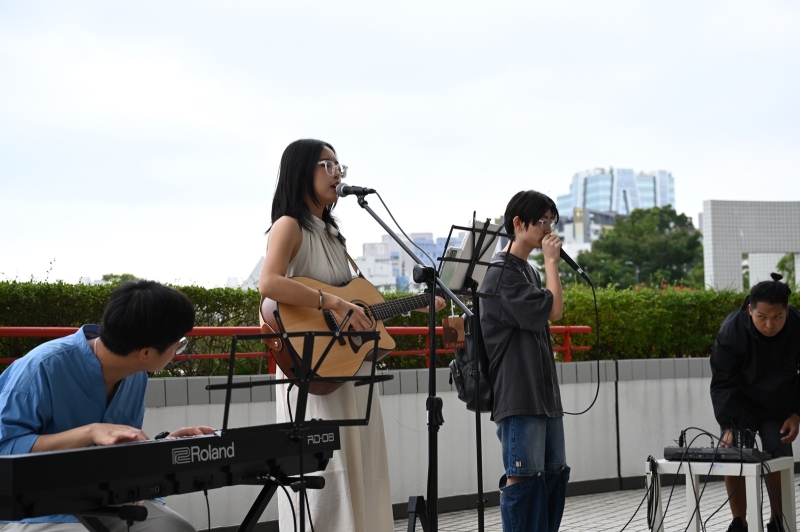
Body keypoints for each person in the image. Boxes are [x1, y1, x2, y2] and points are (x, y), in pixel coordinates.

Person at [258, 139, 442, 532]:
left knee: (363, 467)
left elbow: (357, 302)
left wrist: (413, 305)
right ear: (300, 171)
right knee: (329, 472)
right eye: (327, 165)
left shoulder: (333, 234)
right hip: (310, 365)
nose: (338, 173)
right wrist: (333, 303)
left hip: (347, 365)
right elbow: (269, 283)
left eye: (340, 165)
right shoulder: (289, 225)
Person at [0, 280, 214, 532]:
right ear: (146, 353)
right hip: (30, 506)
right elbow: (5, 450)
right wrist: (89, 432)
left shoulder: (137, 375)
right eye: (178, 343)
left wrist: (161, 447)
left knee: (176, 529)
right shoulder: (42, 367)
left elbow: (119, 450)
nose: (178, 349)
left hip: (105, 498)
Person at [478, 190, 570, 532]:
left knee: (555, 472)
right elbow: (555, 310)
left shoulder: (524, 271)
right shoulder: (503, 274)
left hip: (543, 394)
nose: (549, 229)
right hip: (518, 395)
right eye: (543, 221)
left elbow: (549, 309)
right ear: (518, 223)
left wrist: (545, 266)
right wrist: (550, 263)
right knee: (524, 477)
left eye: (551, 221)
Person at [710, 273, 800, 532]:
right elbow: (723, 381)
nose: (769, 325)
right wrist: (727, 425)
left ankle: (777, 521)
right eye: (762, 317)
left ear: (787, 311)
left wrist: (797, 414)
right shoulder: (732, 330)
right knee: (733, 454)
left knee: (778, 453)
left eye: (777, 317)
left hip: (780, 404)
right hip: (740, 403)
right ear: (750, 309)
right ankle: (739, 521)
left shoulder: (798, 325)